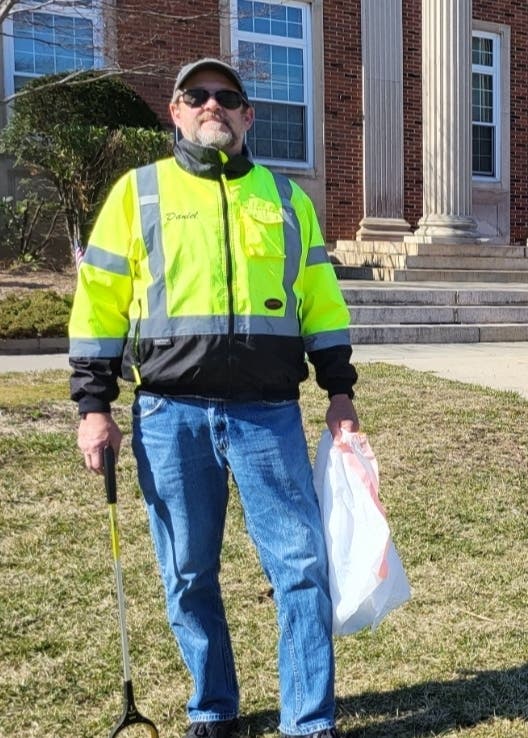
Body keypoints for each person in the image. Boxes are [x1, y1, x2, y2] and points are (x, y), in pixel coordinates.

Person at [69, 58, 356, 738]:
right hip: (170, 417)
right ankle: (213, 707)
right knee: (189, 572)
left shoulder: (286, 201)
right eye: (196, 96)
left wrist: (339, 391)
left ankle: (308, 722)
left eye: (227, 97)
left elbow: (320, 300)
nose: (212, 106)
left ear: (248, 116)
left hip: (268, 415)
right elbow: (100, 307)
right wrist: (93, 407)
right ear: (175, 111)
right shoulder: (139, 195)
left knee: (302, 570)